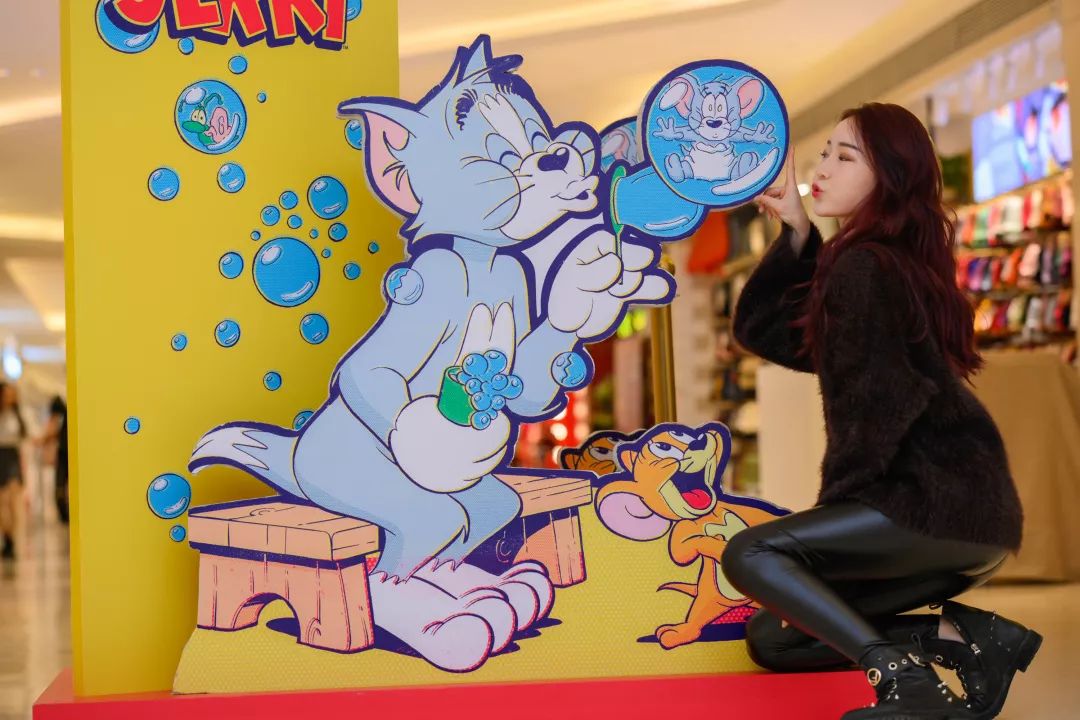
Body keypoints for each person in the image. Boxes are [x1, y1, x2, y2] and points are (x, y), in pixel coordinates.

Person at [722, 104, 1041, 720]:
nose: (823, 169)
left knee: (752, 554)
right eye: (825, 153)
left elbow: (880, 399)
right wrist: (796, 232)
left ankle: (907, 684)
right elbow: (774, 334)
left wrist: (838, 510)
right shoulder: (884, 259)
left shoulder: (864, 265)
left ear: (889, 177)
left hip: (929, 501)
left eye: (846, 157)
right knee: (776, 638)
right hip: (970, 512)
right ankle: (967, 640)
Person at [0, 382, 28, 560]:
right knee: (3, 503)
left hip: (12, 458)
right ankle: (7, 537)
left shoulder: (18, 415)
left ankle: (12, 540)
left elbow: (25, 437)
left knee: (13, 501)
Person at [43, 396, 69, 524]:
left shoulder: (60, 411)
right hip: (65, 451)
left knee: (60, 484)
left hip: (63, 452)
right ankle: (64, 512)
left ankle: (64, 513)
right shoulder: (64, 410)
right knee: (62, 484)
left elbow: (51, 430)